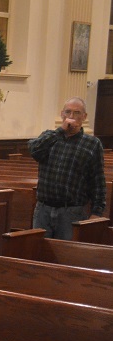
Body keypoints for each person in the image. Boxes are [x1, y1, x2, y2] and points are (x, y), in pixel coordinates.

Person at [28, 97, 107, 239]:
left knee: (67, 250)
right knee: (39, 250)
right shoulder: (49, 137)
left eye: (77, 113)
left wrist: (97, 212)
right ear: (62, 114)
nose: (71, 116)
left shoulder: (92, 144)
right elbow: (34, 150)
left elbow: (98, 181)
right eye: (68, 112)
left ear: (84, 116)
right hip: (43, 209)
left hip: (72, 211)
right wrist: (61, 131)